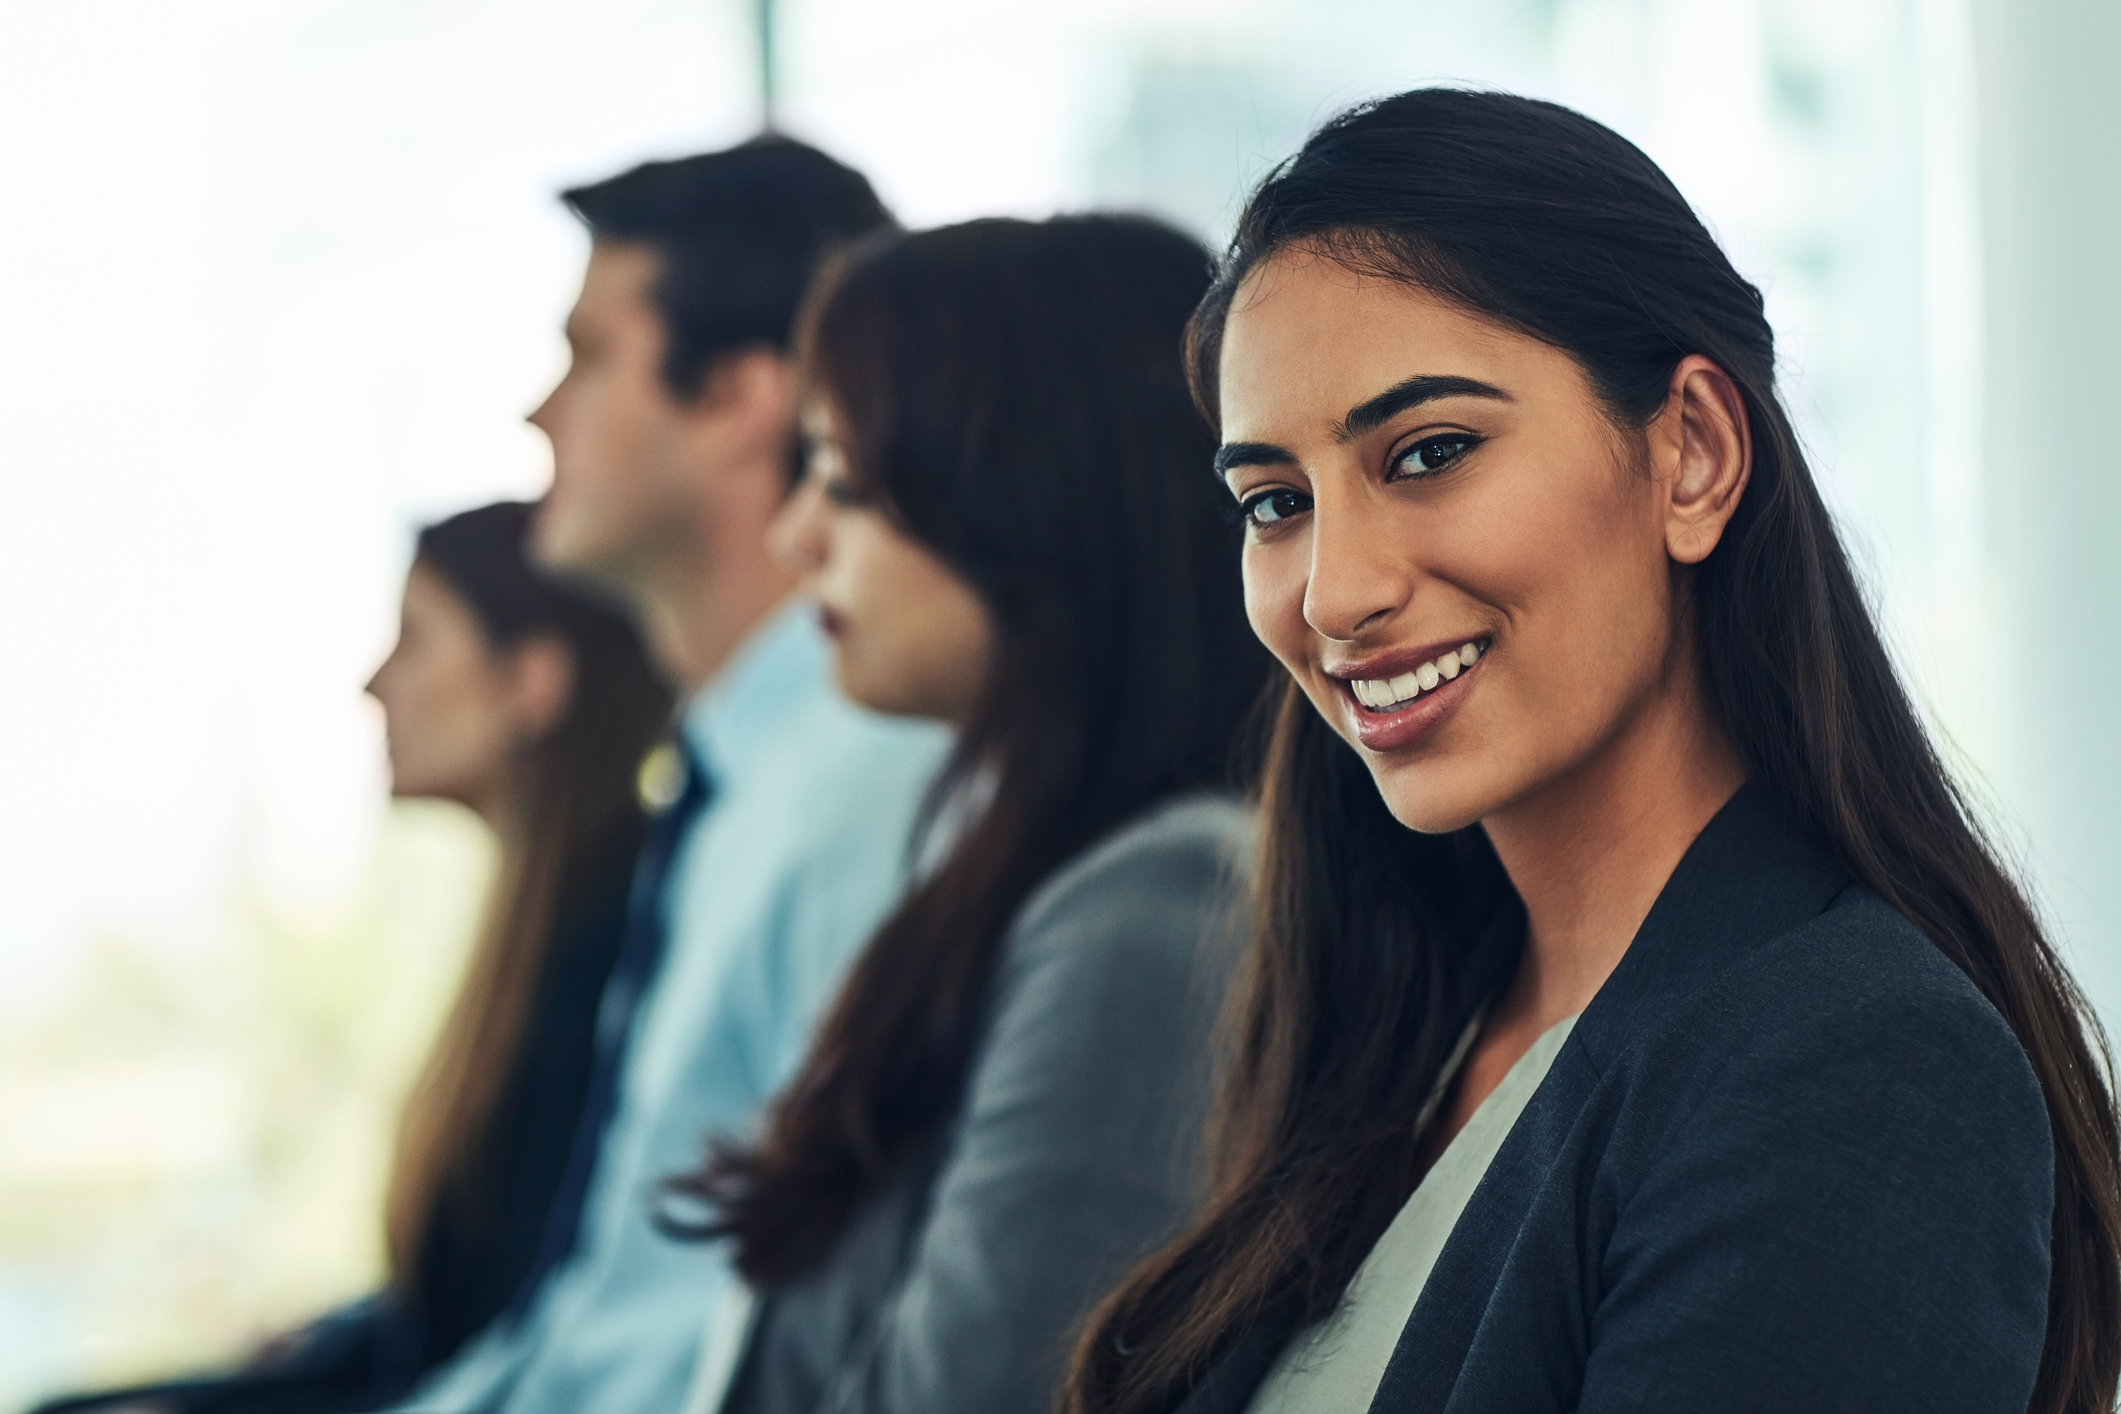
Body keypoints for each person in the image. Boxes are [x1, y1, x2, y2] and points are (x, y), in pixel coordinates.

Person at [1064, 89, 2121, 1414]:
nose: (1332, 591)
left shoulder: (1854, 1063)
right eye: (1274, 502)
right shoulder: (1407, 1027)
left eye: (1429, 452)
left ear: (1691, 452)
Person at [664, 214, 1275, 1414]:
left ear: (1032, 497)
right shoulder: (1025, 867)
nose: (796, 541)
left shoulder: (1150, 913)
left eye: (843, 477)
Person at [394, 138, 950, 1414]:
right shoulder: (729, 788)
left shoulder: (863, 790)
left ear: (743, 398)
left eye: (588, 355)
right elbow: (599, 1318)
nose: (542, 411)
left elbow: (757, 1347)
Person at [29, 500, 673, 1414]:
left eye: (414, 640)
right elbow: (445, 1316)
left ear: (531, 682)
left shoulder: (609, 937)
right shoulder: (550, 926)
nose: (375, 684)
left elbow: (506, 1340)